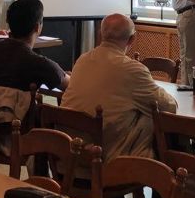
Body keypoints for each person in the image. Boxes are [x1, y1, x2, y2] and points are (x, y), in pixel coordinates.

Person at [61, 13, 177, 161]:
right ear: (132, 39)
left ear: (100, 34)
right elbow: (168, 106)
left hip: (70, 155)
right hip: (106, 159)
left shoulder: (82, 60)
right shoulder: (132, 69)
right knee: (148, 115)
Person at [0, 0, 69, 92]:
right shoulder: (40, 64)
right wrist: (62, 73)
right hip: (15, 103)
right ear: (37, 27)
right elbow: (71, 86)